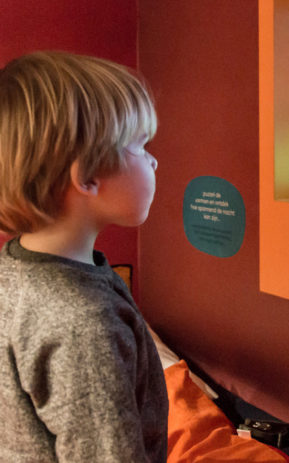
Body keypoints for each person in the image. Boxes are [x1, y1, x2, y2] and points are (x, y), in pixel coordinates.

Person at [0, 51, 167, 462]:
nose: (154, 160)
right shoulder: (83, 328)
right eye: (140, 145)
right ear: (88, 176)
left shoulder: (13, 265)